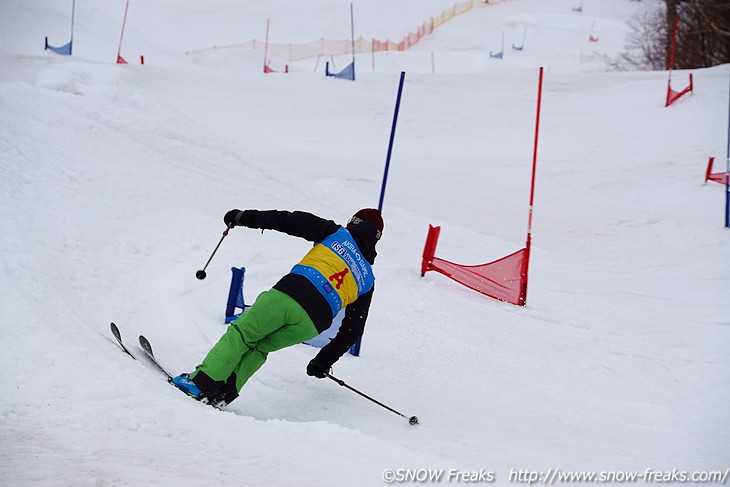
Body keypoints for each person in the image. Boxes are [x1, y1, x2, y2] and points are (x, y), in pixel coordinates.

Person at [171, 208, 384, 408]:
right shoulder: (368, 280)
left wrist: (242, 217)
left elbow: (288, 220)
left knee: (242, 334)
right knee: (260, 347)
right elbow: (352, 330)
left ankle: (202, 384)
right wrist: (322, 361)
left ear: (354, 223)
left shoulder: (335, 233)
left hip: (292, 294)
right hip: (313, 323)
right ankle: (223, 393)